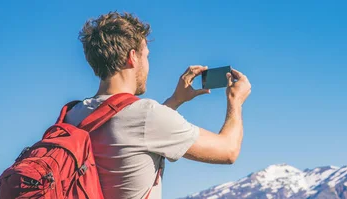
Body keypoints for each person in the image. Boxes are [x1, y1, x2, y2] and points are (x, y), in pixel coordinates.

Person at [64, 11, 251, 199]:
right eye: (146, 55)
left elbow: (133, 132)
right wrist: (235, 101)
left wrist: (175, 100)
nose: (147, 64)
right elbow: (228, 150)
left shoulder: (71, 115)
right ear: (133, 57)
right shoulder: (147, 115)